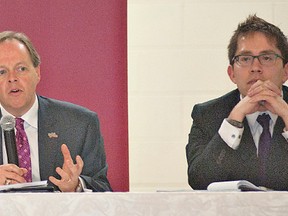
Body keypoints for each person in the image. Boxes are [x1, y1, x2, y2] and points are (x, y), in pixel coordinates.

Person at [186, 14, 288, 190]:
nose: (256, 67)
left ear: (286, 72)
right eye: (245, 59)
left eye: (267, 57)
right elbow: (199, 181)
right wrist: (233, 121)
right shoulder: (208, 114)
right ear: (232, 74)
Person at [0, 31, 112, 192]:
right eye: (1, 72)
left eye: (21, 68)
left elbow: (104, 190)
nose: (12, 78)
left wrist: (76, 185)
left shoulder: (80, 124)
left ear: (37, 72)